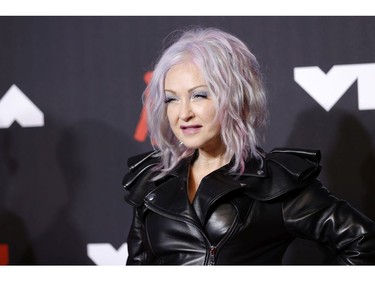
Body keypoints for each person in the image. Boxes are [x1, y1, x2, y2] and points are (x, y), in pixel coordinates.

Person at [122, 27, 375, 265]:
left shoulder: (274, 183)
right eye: (172, 99)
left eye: (199, 95)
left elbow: (364, 242)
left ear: (236, 98)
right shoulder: (152, 182)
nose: (183, 113)